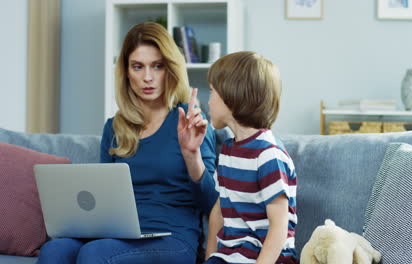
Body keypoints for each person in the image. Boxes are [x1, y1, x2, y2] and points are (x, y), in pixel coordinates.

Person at [36, 22, 218, 264]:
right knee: (54, 250)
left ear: (170, 69)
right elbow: (101, 201)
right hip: (119, 235)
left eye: (157, 66)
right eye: (138, 66)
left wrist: (191, 155)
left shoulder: (189, 119)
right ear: (126, 71)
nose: (148, 77)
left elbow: (211, 202)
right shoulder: (114, 127)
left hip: (173, 238)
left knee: (95, 254)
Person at [202, 51, 298, 264]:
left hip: (270, 258)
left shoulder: (268, 155)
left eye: (211, 92)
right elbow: (218, 212)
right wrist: (209, 257)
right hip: (230, 256)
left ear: (232, 96)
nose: (207, 102)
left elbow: (279, 227)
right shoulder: (228, 150)